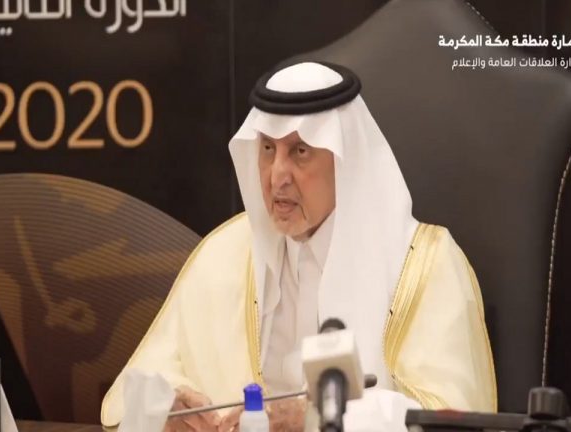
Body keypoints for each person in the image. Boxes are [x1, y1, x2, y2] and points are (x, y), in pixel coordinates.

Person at [101, 62, 497, 431]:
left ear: (344, 159)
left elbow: (453, 419)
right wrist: (165, 410)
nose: (277, 176)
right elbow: (126, 399)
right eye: (267, 149)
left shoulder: (424, 265)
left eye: (300, 152)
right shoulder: (222, 254)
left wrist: (314, 417)